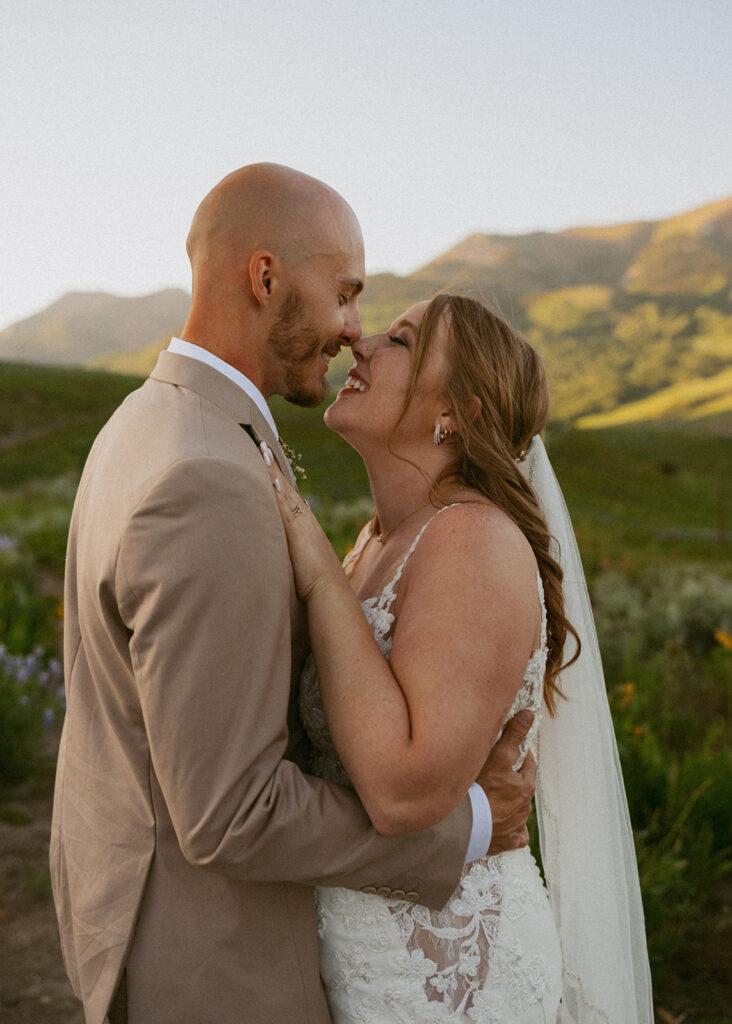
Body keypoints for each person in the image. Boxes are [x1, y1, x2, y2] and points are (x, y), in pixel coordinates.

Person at [49, 165, 537, 1024]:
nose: (352, 333)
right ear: (266, 278)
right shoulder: (210, 471)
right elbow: (229, 810)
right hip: (213, 963)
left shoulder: (146, 422)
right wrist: (463, 828)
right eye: (347, 296)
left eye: (386, 329)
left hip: (371, 960)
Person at [263, 293, 654, 1023]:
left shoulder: (471, 539)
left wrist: (315, 574)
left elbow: (403, 791)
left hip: (447, 977)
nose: (363, 343)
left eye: (403, 341)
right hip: (357, 953)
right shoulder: (376, 542)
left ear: (460, 412)